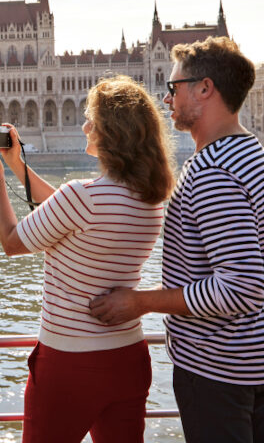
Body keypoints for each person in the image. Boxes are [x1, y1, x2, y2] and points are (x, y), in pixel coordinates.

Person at [0, 75, 175, 443]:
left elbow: (11, 241)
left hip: (69, 365)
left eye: (91, 120)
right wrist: (17, 165)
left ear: (111, 134)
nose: (84, 126)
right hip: (128, 359)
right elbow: (69, 211)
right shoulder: (149, 201)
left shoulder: (82, 199)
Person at [89, 36, 264, 443]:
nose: (166, 99)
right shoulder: (252, 154)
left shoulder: (213, 171)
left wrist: (140, 302)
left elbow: (240, 287)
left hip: (220, 375)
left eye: (174, 87)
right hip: (251, 366)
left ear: (205, 88)